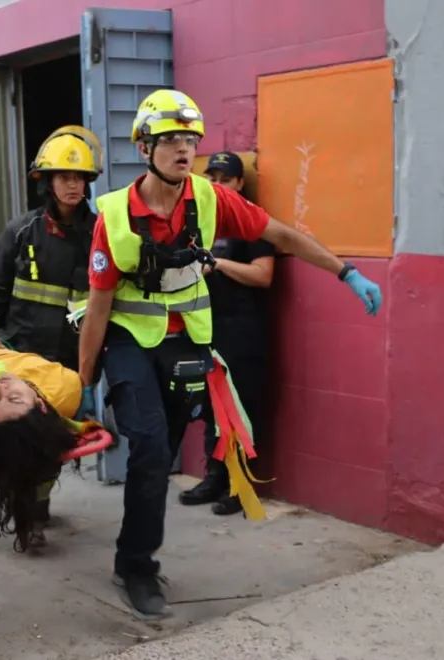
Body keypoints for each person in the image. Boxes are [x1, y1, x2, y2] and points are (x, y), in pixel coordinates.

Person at [76, 89, 383, 620]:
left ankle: (135, 549)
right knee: (149, 445)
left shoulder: (212, 200)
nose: (184, 149)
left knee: (161, 453)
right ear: (145, 148)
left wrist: (346, 271)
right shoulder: (115, 217)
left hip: (186, 342)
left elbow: (281, 235)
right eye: (171, 139)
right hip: (129, 339)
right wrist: (83, 382)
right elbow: (99, 305)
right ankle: (137, 567)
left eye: (190, 139)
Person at [179, 151, 276, 516]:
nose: (218, 185)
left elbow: (263, 275)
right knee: (212, 407)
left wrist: (217, 264)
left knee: (241, 408)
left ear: (240, 183)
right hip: (207, 328)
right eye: (212, 178)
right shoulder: (201, 223)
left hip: (243, 330)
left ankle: (241, 484)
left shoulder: (254, 223)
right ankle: (214, 477)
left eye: (226, 179)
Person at [0, 130, 101, 372]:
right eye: (64, 177)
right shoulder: (20, 232)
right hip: (20, 355)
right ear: (48, 182)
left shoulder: (100, 234)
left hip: (73, 361)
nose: (72, 184)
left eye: (78, 177)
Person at [0, 335, 93, 552]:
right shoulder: (64, 386)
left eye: (11, 399)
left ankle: (32, 514)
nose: (0, 389)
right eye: (8, 399)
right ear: (40, 404)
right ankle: (31, 515)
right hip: (2, 349)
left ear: (42, 405)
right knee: (27, 460)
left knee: (37, 459)